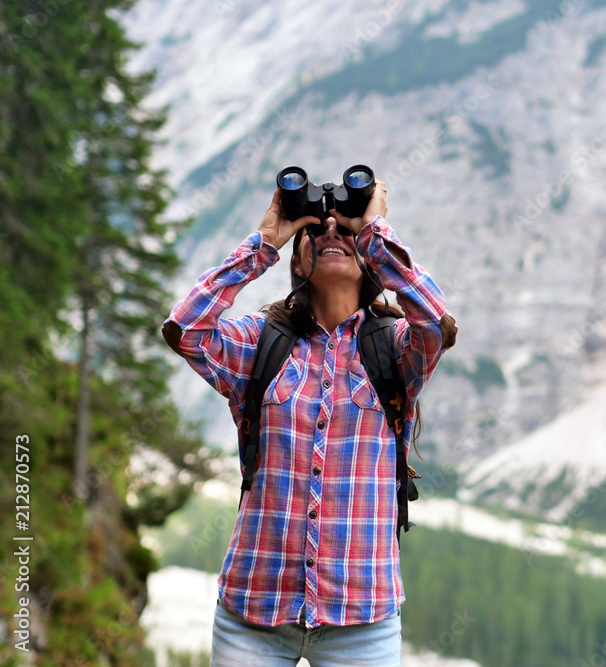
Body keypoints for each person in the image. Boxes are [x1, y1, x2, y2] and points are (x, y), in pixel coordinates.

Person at [161, 178, 457, 666]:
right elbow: (186, 330)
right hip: (251, 613)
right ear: (298, 261)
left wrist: (375, 234)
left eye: (345, 229)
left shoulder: (397, 348)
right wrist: (264, 244)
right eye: (316, 230)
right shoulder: (262, 342)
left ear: (366, 258)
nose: (331, 231)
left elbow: (437, 322)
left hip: (363, 619)